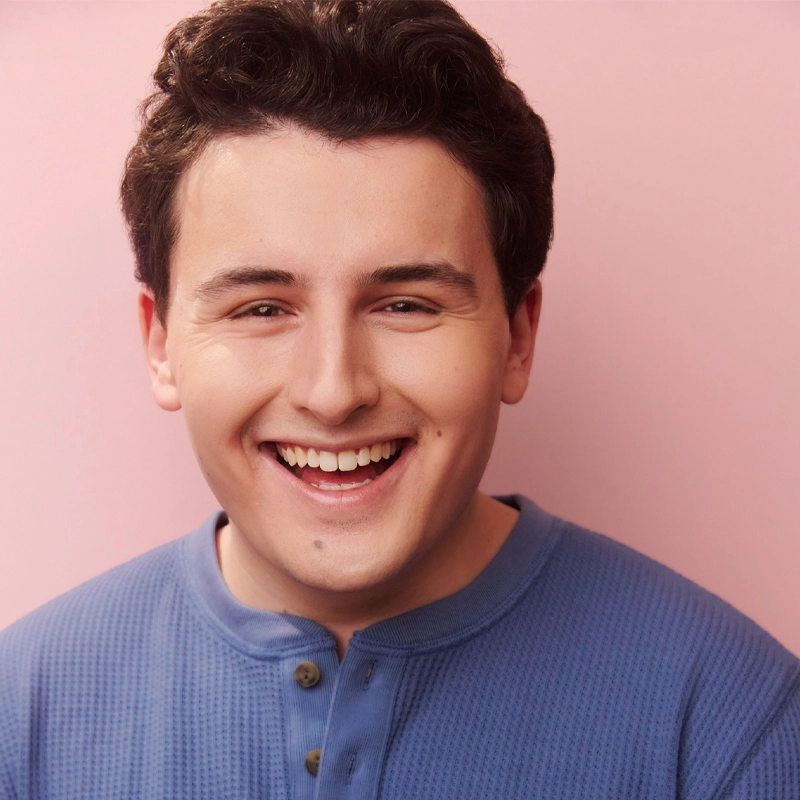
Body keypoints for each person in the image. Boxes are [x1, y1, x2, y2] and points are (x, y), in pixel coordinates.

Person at [1, 1, 798, 797]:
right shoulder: (18, 720)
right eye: (262, 308)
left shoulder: (735, 723)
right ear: (161, 342)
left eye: (405, 304)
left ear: (518, 339)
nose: (334, 390)